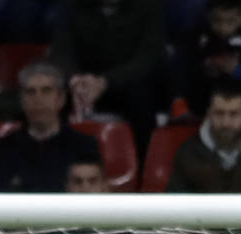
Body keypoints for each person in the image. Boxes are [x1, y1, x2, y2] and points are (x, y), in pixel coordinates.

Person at [50, 0, 165, 154]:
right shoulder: (71, 6)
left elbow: (148, 58)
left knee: (142, 97)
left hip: (126, 82)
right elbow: (61, 51)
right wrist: (74, 80)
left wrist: (105, 82)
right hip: (82, 84)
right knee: (49, 95)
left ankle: (143, 166)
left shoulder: (149, 6)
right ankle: (55, 162)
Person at [0, 60, 99, 193]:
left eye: (46, 91)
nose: (38, 98)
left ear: (61, 99)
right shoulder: (2, 150)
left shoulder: (84, 147)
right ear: (22, 101)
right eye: (30, 92)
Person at [167, 78, 241, 192]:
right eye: (219, 113)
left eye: (234, 114)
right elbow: (174, 204)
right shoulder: (189, 152)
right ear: (209, 114)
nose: (225, 123)